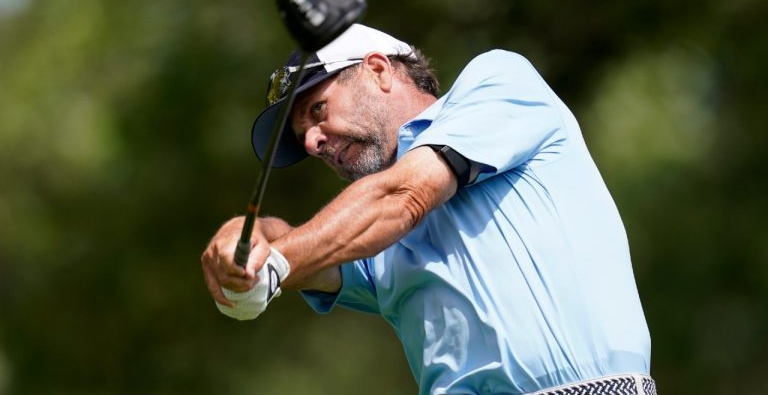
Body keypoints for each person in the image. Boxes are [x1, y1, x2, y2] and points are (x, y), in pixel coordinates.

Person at [200, 24, 655, 395]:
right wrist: (248, 240)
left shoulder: (500, 83)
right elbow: (311, 248)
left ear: (378, 70)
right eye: (304, 138)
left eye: (319, 110)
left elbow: (405, 196)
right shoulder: (366, 230)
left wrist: (278, 262)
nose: (314, 142)